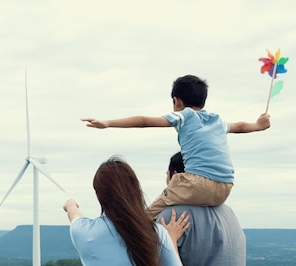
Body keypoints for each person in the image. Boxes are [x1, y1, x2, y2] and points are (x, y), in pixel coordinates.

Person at [81, 74, 271, 221]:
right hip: (225, 188)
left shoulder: (184, 115)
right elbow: (240, 127)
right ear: (203, 101)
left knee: (148, 216)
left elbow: (144, 121)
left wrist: (107, 123)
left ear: (177, 101)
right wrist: (259, 125)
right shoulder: (217, 120)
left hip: (197, 184)